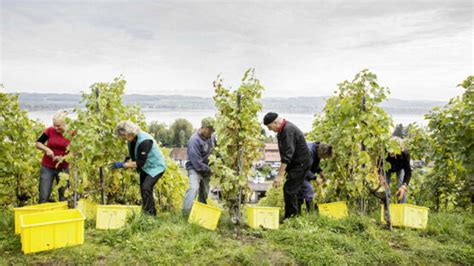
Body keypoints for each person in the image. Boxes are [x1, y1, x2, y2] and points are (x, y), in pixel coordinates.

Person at [112, 121, 166, 216]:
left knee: (146, 188)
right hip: (146, 167)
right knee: (144, 190)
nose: (123, 139)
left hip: (156, 166)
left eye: (124, 136)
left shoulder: (145, 141)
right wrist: (127, 158)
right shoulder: (132, 139)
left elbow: (140, 163)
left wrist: (122, 165)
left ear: (129, 133)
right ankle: (148, 214)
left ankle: (150, 216)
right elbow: (134, 151)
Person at [263, 112, 310, 220]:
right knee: (294, 190)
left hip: (300, 164)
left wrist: (279, 175)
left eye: (270, 127)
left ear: (276, 122)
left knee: (289, 189)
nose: (270, 130)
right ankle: (296, 217)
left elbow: (287, 155)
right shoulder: (282, 131)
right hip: (295, 164)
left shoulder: (288, 131)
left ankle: (290, 218)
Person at [35, 110, 71, 203]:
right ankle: (42, 216)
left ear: (65, 124)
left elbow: (76, 152)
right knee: (44, 196)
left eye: (58, 126)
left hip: (63, 168)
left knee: (64, 197)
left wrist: (62, 158)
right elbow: (38, 143)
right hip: (47, 167)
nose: (55, 128)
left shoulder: (72, 134)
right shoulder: (50, 130)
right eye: (54, 125)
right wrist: (47, 149)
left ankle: (63, 217)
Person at [182, 117, 215, 216]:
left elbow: (215, 149)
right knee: (194, 188)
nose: (212, 132)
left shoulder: (211, 137)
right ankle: (186, 214)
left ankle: (201, 213)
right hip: (194, 168)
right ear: (203, 128)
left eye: (213, 130)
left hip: (206, 169)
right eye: (210, 130)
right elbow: (197, 164)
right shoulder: (194, 141)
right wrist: (211, 170)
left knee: (204, 192)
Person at [298, 142, 333, 212]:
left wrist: (320, 172)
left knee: (300, 194)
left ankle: (297, 215)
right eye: (324, 157)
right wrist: (315, 178)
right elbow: (304, 167)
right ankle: (311, 214)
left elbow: (314, 164)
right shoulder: (309, 151)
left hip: (304, 172)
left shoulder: (317, 150)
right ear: (322, 152)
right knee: (309, 190)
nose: (324, 159)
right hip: (298, 172)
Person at [385, 137, 412, 203]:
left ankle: (401, 206)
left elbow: (408, 171)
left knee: (401, 187)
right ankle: (386, 209)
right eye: (390, 149)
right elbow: (379, 165)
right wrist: (381, 177)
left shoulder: (405, 154)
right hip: (386, 168)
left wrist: (404, 185)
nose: (391, 151)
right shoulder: (384, 152)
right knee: (385, 187)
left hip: (400, 168)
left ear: (399, 149)